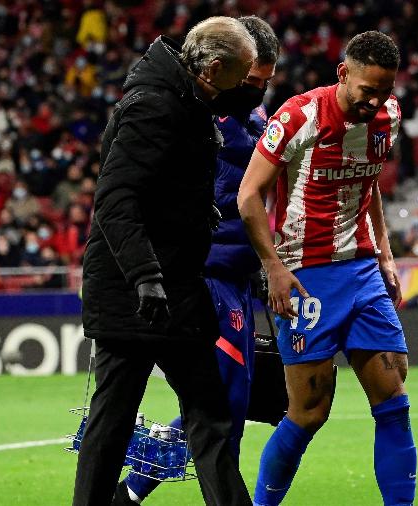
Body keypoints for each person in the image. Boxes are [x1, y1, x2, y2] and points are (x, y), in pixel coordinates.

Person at [73, 17, 257, 506]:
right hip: (136, 293)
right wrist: (144, 278)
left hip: (176, 287)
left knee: (210, 417)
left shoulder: (186, 102)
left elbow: (162, 189)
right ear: (214, 68)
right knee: (114, 424)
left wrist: (199, 213)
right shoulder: (153, 107)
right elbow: (115, 200)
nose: (244, 88)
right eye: (240, 77)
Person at [237, 31, 417, 506]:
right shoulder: (299, 116)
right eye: (367, 91)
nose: (375, 101)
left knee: (394, 403)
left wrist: (384, 251)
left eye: (385, 91)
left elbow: (370, 180)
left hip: (360, 270)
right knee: (308, 413)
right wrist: (272, 266)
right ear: (343, 75)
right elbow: (249, 194)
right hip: (305, 274)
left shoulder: (388, 118)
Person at [116, 16, 280, 505]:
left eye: (264, 83)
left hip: (235, 275)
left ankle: (129, 493)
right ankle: (131, 491)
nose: (255, 91)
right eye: (251, 81)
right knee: (219, 405)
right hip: (206, 272)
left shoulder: (254, 116)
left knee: (229, 403)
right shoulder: (196, 111)